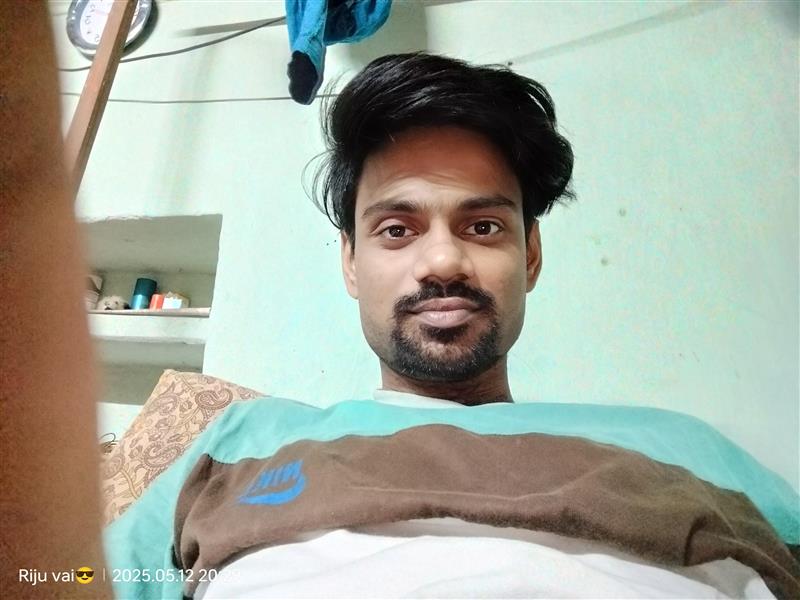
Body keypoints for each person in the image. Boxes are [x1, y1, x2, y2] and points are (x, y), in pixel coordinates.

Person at [312, 52, 574, 406]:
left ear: (531, 255)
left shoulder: (635, 440)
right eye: (396, 231)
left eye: (483, 227)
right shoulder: (256, 436)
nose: (443, 262)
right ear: (351, 262)